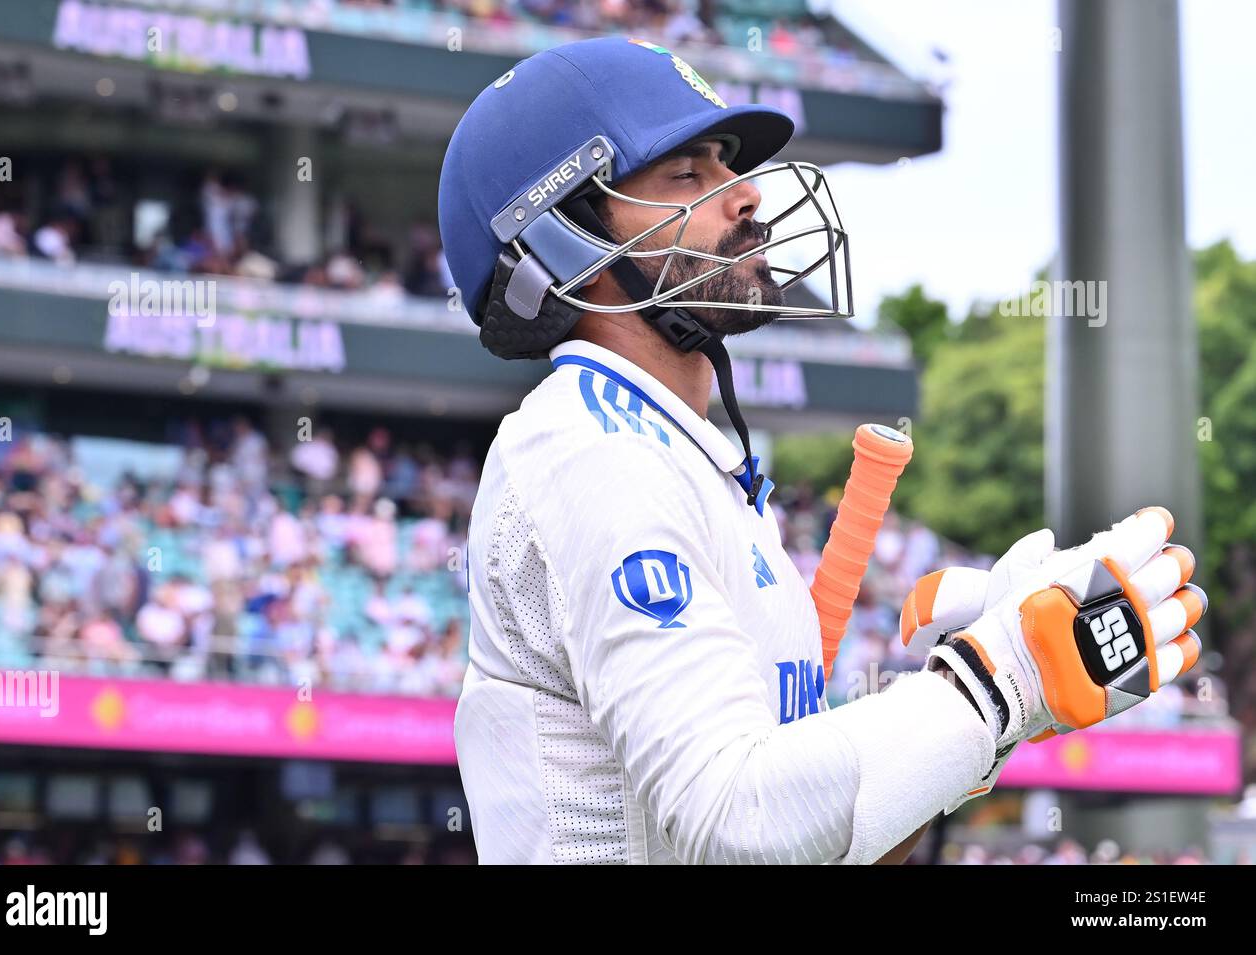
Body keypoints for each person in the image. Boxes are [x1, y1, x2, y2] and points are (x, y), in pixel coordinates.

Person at [439, 37, 1208, 865]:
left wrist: (988, 707)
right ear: (562, 242)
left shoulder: (684, 455)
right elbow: (740, 824)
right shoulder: (588, 450)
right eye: (686, 174)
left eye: (727, 166)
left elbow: (829, 848)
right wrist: (997, 679)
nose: (748, 197)